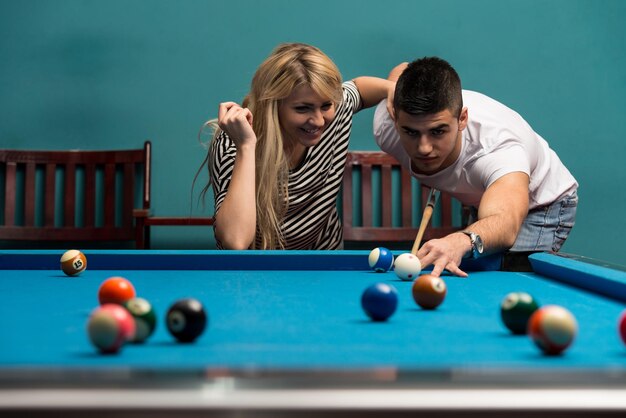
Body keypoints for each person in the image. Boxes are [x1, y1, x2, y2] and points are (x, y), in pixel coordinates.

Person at [373, 57, 578, 277]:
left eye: (438, 131)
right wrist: (394, 82)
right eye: (411, 132)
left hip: (541, 203)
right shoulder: (386, 127)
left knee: (506, 273)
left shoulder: (497, 150)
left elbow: (505, 223)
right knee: (472, 263)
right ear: (396, 121)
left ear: (462, 119)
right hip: (485, 196)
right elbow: (404, 68)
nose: (423, 148)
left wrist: (461, 240)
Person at [201, 42, 393, 250]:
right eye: (303, 109)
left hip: (324, 264)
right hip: (257, 272)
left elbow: (357, 88)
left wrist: (392, 89)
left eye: (326, 106)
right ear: (273, 105)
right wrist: (246, 147)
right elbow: (235, 241)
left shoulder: (335, 108)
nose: (319, 121)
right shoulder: (234, 140)